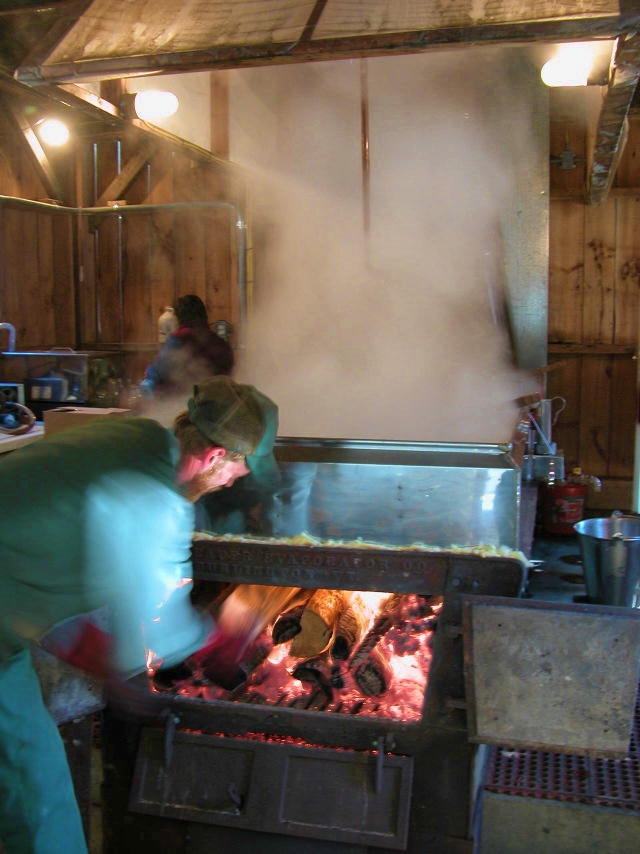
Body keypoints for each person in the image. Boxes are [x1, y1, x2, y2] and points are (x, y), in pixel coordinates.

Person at [0, 375, 278, 854]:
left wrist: (84, 646)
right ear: (215, 457)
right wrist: (223, 640)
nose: (236, 480)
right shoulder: (155, 502)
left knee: (28, 770)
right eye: (240, 469)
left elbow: (53, 541)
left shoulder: (139, 438)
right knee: (38, 795)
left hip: (7, 624)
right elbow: (153, 635)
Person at [141, 294, 234, 399]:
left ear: (178, 318)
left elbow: (160, 370)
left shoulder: (179, 339)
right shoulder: (220, 343)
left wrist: (149, 374)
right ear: (204, 315)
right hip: (219, 404)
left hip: (183, 405)